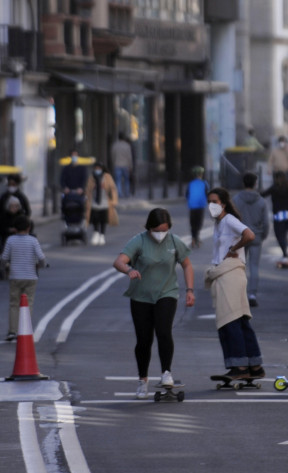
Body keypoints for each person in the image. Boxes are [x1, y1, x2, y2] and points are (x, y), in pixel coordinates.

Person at [113, 208, 194, 399]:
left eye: (164, 230)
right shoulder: (139, 241)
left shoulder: (174, 241)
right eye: (156, 230)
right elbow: (119, 261)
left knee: (164, 331)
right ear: (149, 227)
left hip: (167, 293)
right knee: (144, 340)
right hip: (141, 296)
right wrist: (128, 270)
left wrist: (190, 290)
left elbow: (187, 264)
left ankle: (166, 372)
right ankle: (143, 380)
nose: (160, 234)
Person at [204, 187, 265, 380]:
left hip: (230, 273)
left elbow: (250, 235)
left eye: (214, 201)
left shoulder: (229, 219)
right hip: (226, 274)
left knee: (229, 320)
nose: (211, 205)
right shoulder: (219, 223)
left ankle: (239, 367)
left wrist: (234, 248)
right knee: (239, 320)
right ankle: (254, 365)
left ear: (223, 203)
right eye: (209, 201)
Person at [1, 215, 47, 342]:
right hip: (31, 277)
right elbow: (41, 257)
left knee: (14, 304)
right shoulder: (33, 240)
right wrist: (41, 265)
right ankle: (25, 329)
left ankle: (12, 331)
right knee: (28, 304)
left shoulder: (10, 240)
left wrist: (4, 267)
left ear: (15, 228)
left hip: (15, 276)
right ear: (29, 227)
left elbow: (4, 257)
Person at [233, 172, 269, 307]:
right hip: (256, 235)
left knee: (239, 266)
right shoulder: (261, 201)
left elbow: (232, 218)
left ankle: (239, 293)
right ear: (255, 184)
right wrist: (262, 235)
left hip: (240, 236)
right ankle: (252, 294)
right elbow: (266, 222)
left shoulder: (236, 199)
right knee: (254, 266)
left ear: (243, 183)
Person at [262, 170, 288, 267]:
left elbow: (263, 194)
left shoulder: (274, 188)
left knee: (279, 234)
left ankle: (285, 253)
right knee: (284, 234)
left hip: (278, 213)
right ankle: (285, 252)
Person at [84, 161, 119, 245]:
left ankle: (102, 235)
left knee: (103, 219)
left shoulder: (107, 177)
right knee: (95, 219)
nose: (97, 170)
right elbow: (88, 190)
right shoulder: (92, 177)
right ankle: (96, 233)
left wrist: (114, 200)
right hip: (94, 202)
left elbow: (113, 189)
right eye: (96, 169)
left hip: (105, 202)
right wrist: (86, 200)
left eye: (99, 169)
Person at [0, 174, 32, 250]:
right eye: (9, 184)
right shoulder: (3, 197)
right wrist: (7, 229)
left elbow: (28, 212)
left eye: (13, 184)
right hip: (6, 232)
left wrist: (20, 228)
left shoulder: (21, 197)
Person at [185, 166, 210, 248]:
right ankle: (197, 238)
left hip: (192, 206)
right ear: (201, 174)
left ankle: (193, 238)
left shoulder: (190, 183)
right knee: (199, 223)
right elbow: (208, 194)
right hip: (201, 205)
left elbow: (187, 194)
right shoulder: (204, 183)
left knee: (193, 223)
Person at [111, 133, 134, 199]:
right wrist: (130, 166)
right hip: (126, 165)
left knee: (118, 180)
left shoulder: (115, 145)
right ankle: (127, 193)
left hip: (117, 165)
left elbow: (112, 155)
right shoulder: (127, 146)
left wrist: (114, 163)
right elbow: (129, 157)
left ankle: (119, 194)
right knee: (126, 180)